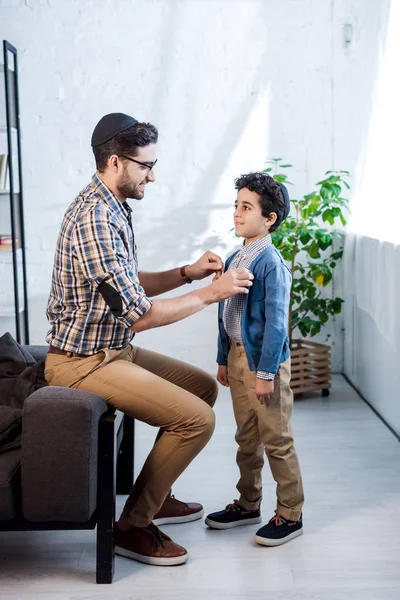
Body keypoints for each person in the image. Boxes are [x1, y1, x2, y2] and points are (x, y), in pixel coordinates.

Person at [44, 112, 254, 566]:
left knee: (201, 387)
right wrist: (210, 292)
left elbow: (126, 284)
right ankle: (132, 527)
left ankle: (154, 496)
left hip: (112, 348)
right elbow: (140, 315)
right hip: (83, 363)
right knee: (197, 420)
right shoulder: (94, 219)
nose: (153, 175)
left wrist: (185, 273)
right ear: (116, 162)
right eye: (146, 166)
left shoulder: (112, 204)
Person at [205, 171, 304, 546]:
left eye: (246, 207)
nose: (236, 214)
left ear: (269, 218)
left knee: (276, 438)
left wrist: (265, 373)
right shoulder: (235, 256)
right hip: (236, 357)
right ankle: (249, 503)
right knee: (246, 438)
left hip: (263, 364)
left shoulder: (271, 264)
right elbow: (227, 313)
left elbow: (277, 325)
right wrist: (222, 358)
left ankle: (291, 513)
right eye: (235, 206)